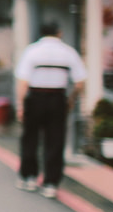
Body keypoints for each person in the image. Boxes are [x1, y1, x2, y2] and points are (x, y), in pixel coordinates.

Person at [14, 21, 87, 198]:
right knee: (55, 140)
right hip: (57, 98)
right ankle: (51, 183)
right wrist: (71, 99)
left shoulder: (32, 51)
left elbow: (23, 82)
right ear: (59, 33)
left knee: (30, 138)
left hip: (35, 98)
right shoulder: (68, 52)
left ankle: (29, 177)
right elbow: (80, 82)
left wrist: (20, 105)